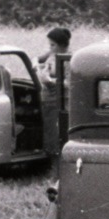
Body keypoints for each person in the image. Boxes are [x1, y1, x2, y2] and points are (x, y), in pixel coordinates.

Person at [38, 26, 71, 158]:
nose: (49, 48)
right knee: (48, 129)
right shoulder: (52, 55)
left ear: (61, 46)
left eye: (52, 45)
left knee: (56, 131)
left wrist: (50, 81)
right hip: (48, 99)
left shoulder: (68, 60)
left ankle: (55, 157)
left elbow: (69, 83)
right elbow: (38, 59)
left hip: (60, 101)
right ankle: (49, 154)